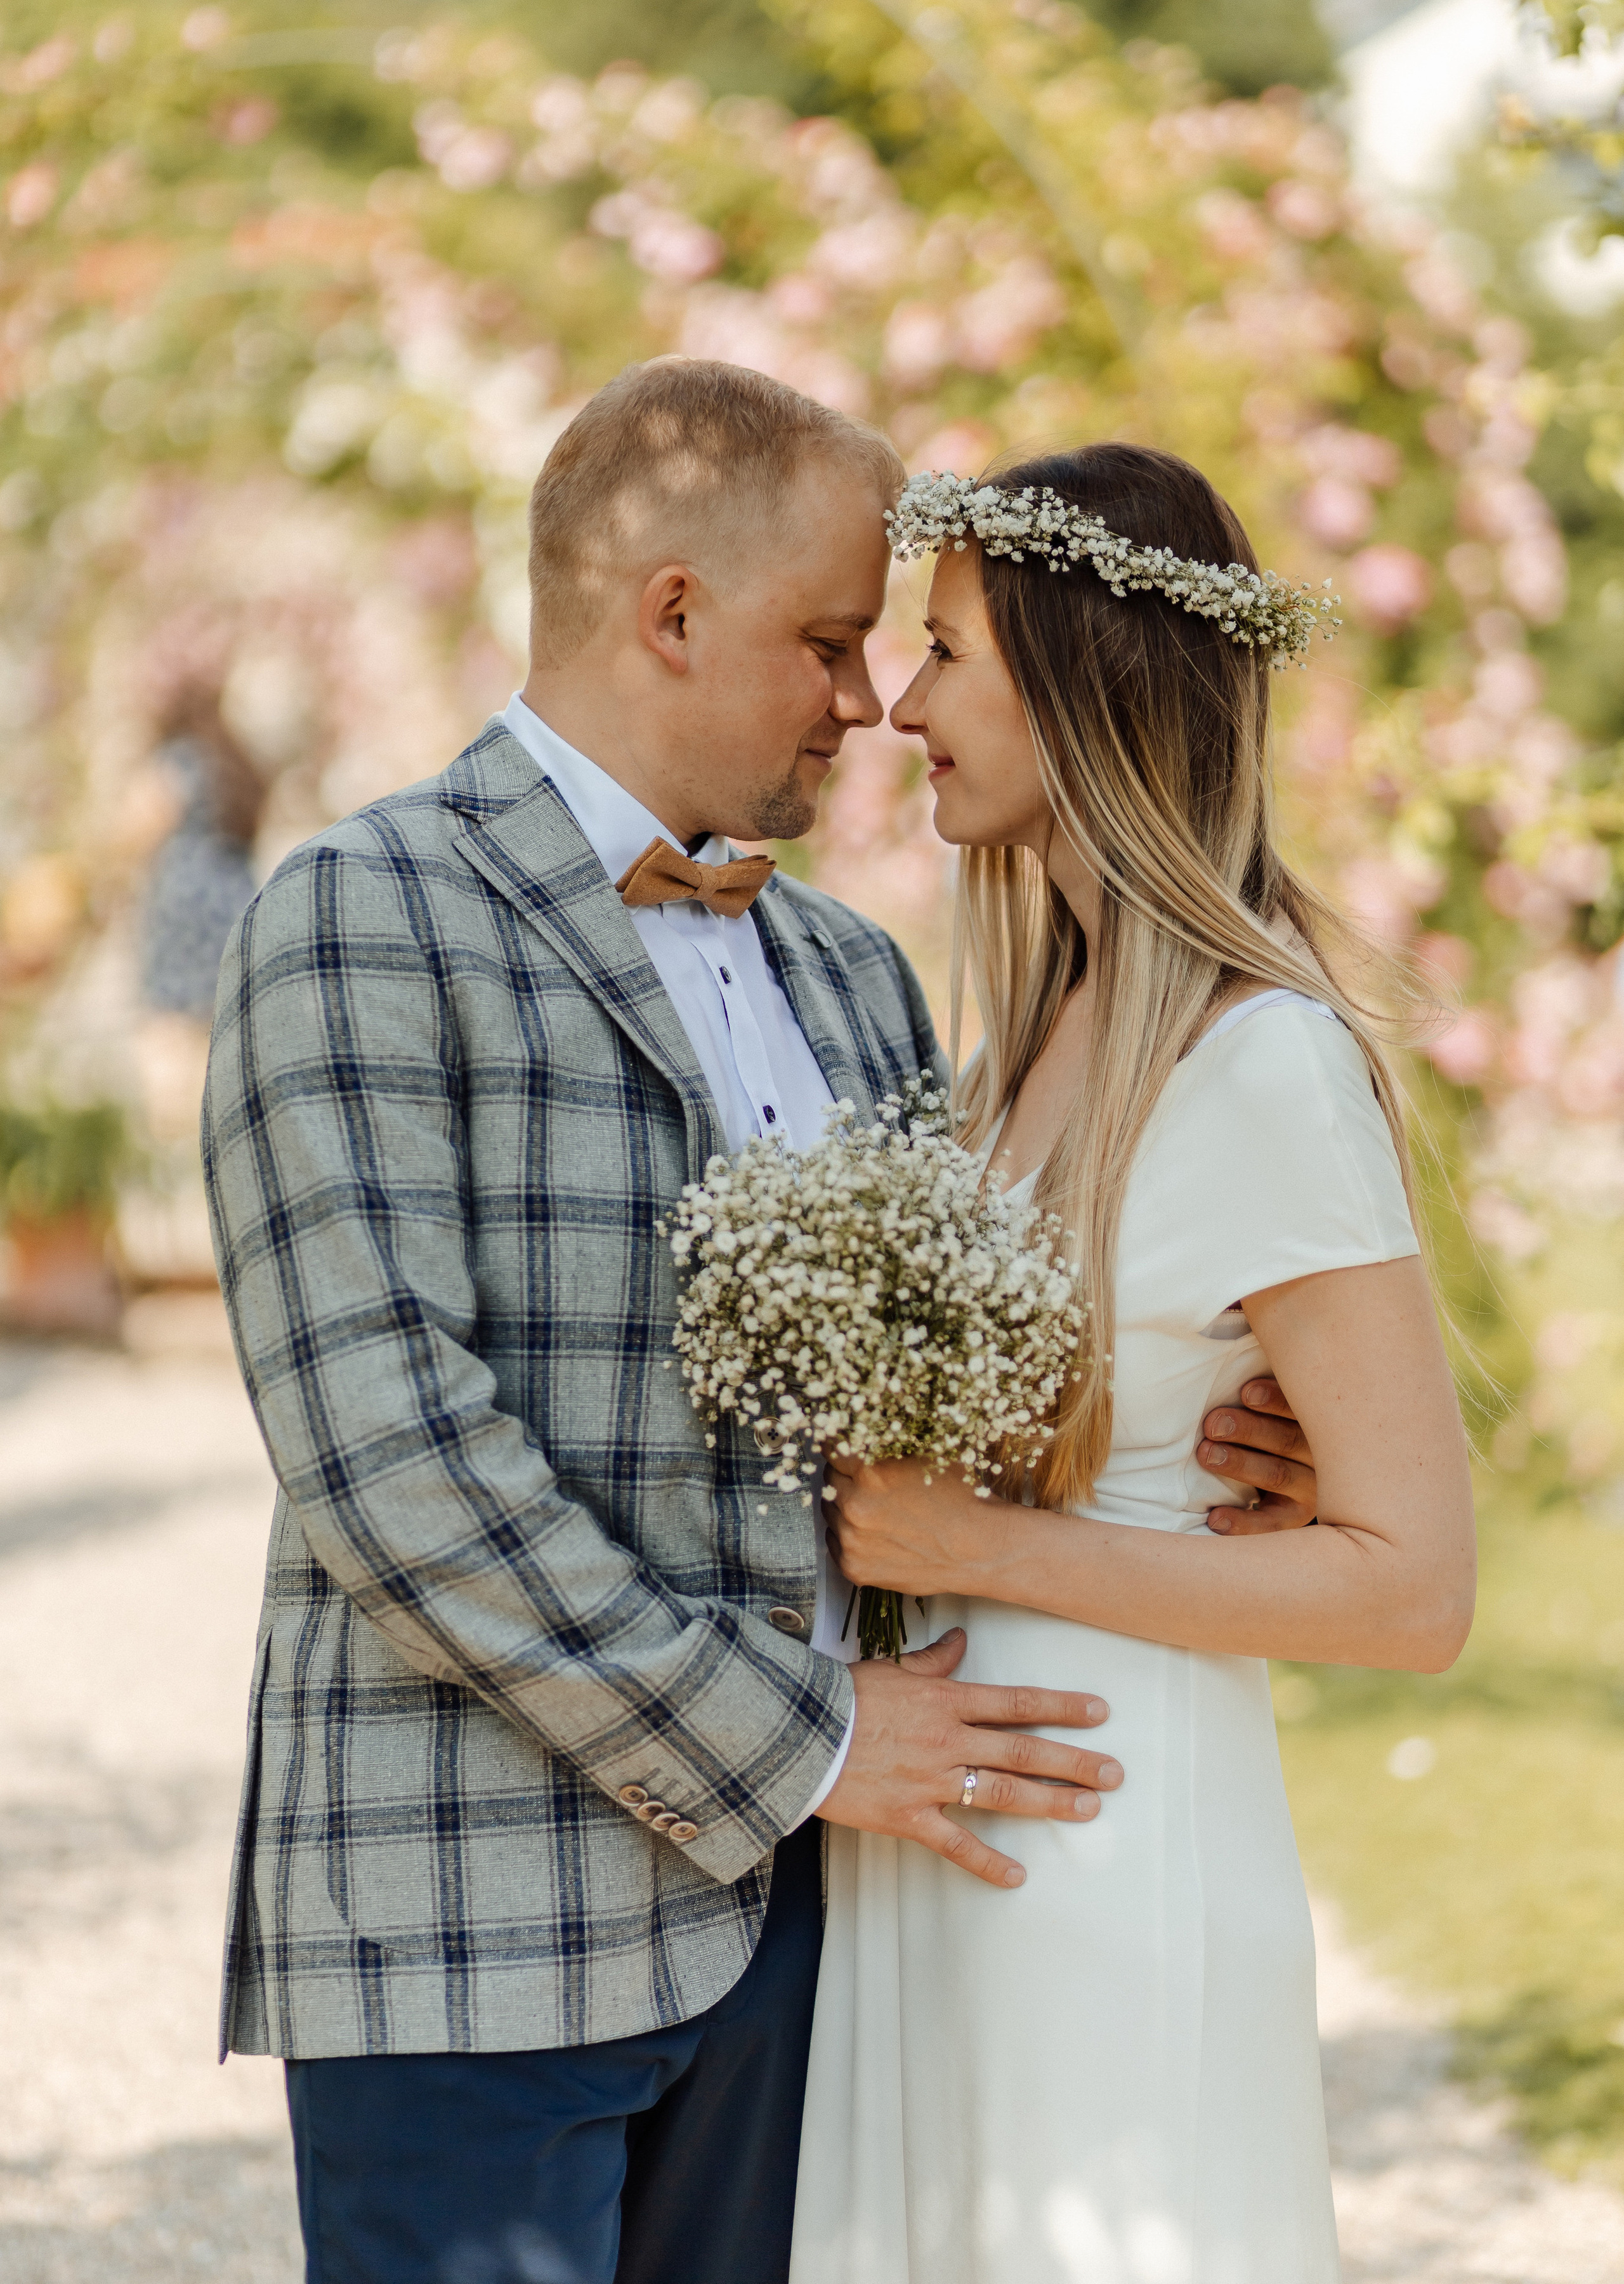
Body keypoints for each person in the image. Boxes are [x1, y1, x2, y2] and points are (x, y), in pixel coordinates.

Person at [203, 364, 1318, 2284]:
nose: (869, 701)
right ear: (670, 612)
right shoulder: (355, 917)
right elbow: (396, 1466)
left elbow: (936, 1398)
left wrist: (1233, 1426)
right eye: (829, 641)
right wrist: (799, 1744)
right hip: (475, 1919)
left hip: (813, 1942)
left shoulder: (856, 976)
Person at [792, 443, 1477, 2284]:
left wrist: (983, 1553)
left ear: (1087, 677)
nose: (901, 704)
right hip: (939, 1826)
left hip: (1109, 1832)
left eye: (947, 654)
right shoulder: (1017, 1048)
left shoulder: (1263, 1061)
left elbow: (1418, 1590)